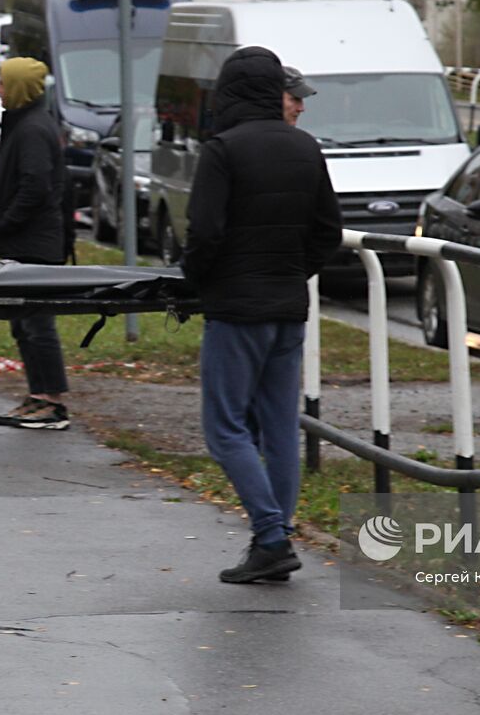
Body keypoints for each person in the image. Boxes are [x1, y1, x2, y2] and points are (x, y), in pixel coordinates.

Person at [181, 46, 342, 584]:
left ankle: (271, 536)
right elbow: (328, 233)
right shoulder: (305, 148)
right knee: (278, 429)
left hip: (234, 309)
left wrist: (197, 281)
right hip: (289, 308)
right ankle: (276, 535)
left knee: (225, 427)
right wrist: (294, 272)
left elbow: (204, 233)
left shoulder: (221, 150)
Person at [0, 57, 73, 430]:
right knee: (23, 324)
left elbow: (35, 186)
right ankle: (37, 395)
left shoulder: (32, 129)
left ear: (18, 88)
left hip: (34, 245)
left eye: (2, 83)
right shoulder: (23, 123)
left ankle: (52, 402)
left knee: (37, 324)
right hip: (24, 243)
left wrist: (4, 224)